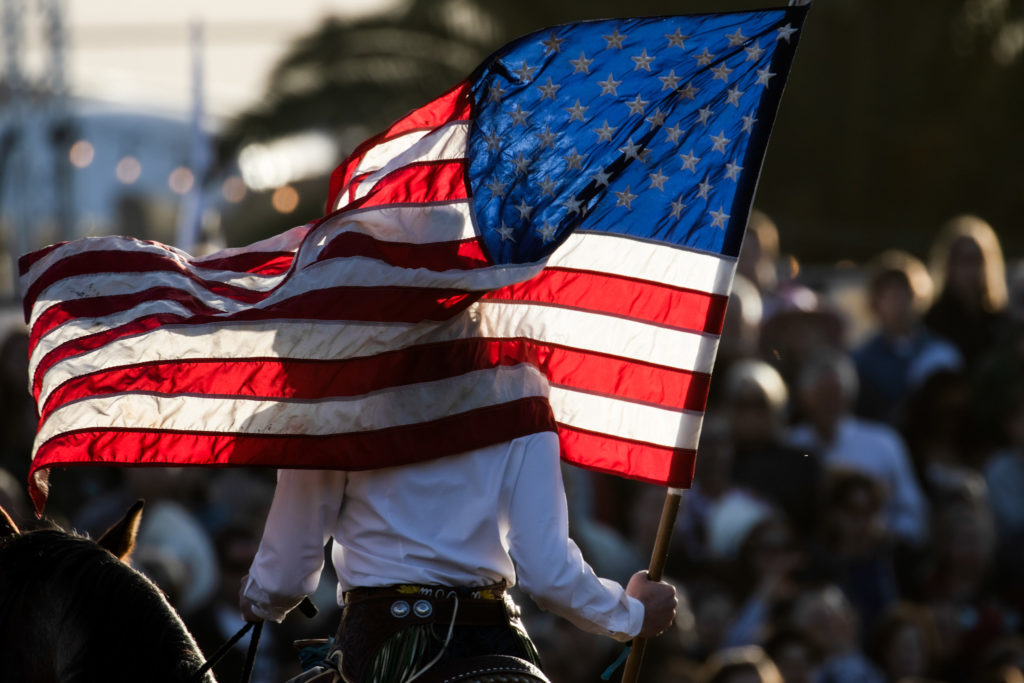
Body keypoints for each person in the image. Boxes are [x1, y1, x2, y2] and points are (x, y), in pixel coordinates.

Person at [237, 432, 677, 682]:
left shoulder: (337, 390)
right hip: (498, 636)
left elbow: (285, 580)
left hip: (381, 641)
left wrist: (259, 597)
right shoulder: (520, 390)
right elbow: (547, 575)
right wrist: (631, 613)